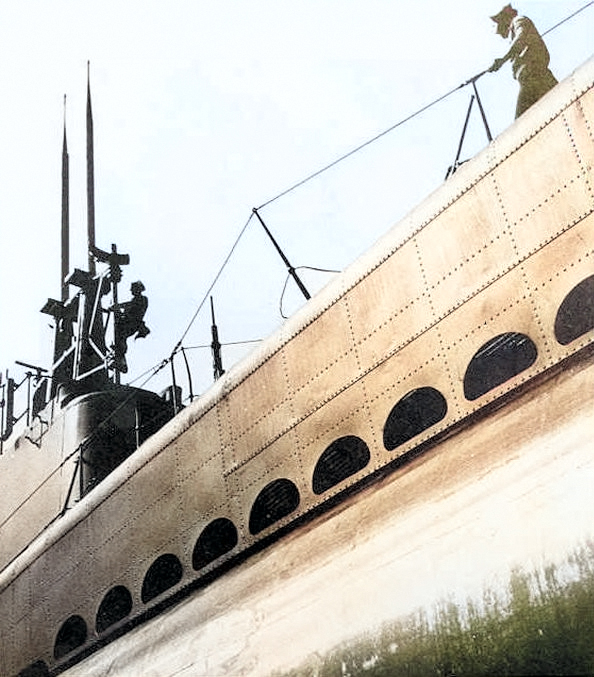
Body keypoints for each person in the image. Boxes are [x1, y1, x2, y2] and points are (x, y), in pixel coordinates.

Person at [489, 4, 558, 118]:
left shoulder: (519, 20)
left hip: (533, 76)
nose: (496, 29)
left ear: (503, 19)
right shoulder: (513, 32)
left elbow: (521, 38)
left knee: (520, 122)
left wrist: (502, 60)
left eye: (496, 22)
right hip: (532, 76)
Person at [112, 281, 150, 373]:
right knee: (120, 341)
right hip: (129, 323)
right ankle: (121, 361)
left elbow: (131, 305)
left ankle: (121, 361)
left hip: (132, 324)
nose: (131, 291)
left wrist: (118, 306)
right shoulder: (136, 300)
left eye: (133, 290)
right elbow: (129, 306)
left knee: (120, 339)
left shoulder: (142, 299)